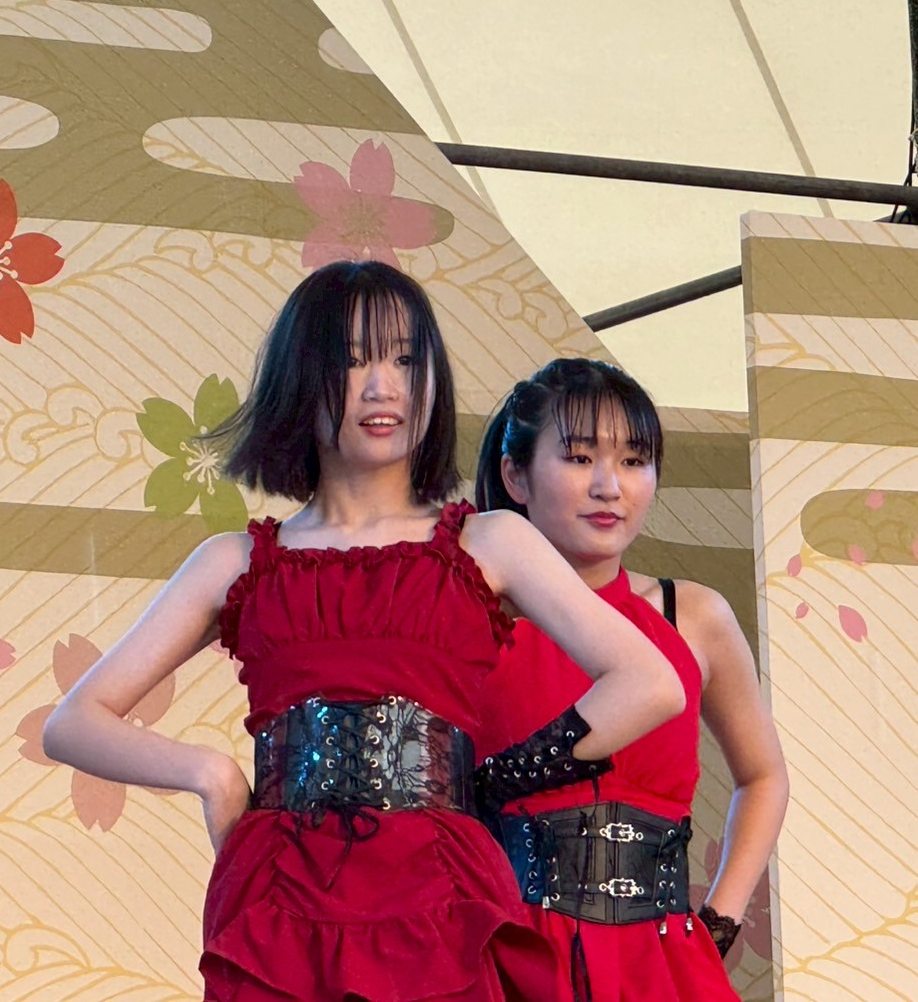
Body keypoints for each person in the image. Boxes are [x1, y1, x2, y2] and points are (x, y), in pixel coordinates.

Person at [42, 261, 686, 1001]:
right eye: (352, 361)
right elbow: (73, 723)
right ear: (300, 377)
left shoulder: (490, 542)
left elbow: (650, 683)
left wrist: (491, 784)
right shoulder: (235, 560)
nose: (383, 387)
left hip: (440, 886)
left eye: (406, 360)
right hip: (280, 889)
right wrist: (210, 774)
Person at [474, 357, 788, 1001]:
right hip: (504, 958)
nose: (609, 486)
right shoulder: (467, 617)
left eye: (634, 460)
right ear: (515, 475)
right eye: (580, 457)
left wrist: (717, 925)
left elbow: (764, 777)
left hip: (663, 966)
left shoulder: (692, 615)